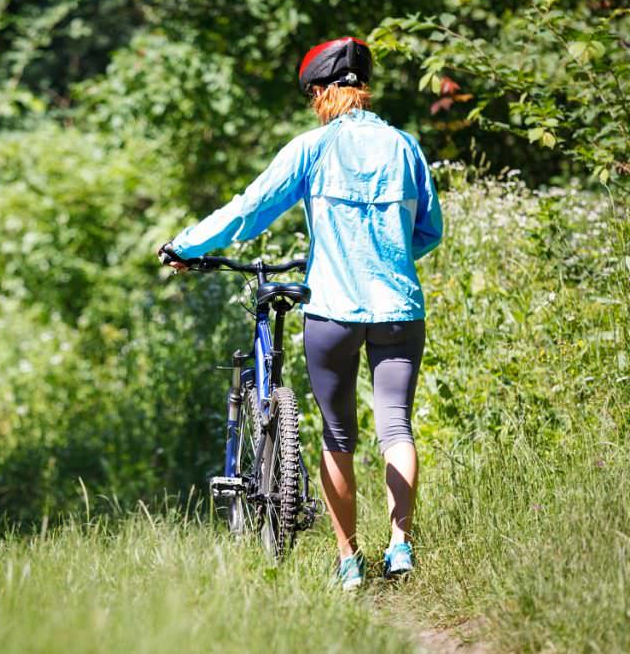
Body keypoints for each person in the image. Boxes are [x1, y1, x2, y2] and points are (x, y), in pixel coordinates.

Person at [157, 37, 443, 591]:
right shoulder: (406, 147)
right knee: (396, 428)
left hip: (333, 310)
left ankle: (349, 560)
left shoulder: (312, 149)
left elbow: (249, 210)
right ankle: (401, 544)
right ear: (362, 88)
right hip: (399, 309)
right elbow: (429, 231)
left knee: (338, 436)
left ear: (321, 93)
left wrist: (186, 245)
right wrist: (390, 255)